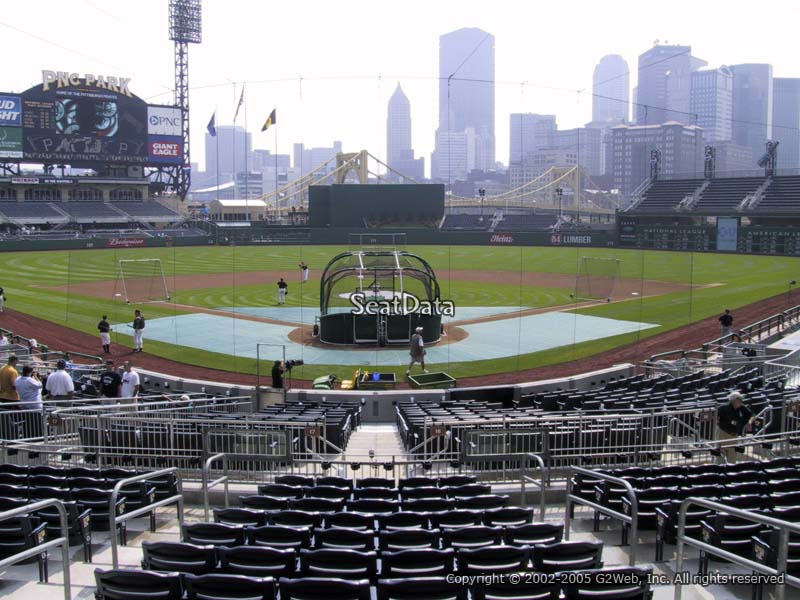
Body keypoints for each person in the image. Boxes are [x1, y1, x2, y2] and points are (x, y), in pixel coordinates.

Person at [716, 391, 756, 463]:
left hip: (733, 436)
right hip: (723, 434)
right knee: (720, 457)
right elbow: (716, 418)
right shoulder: (724, 408)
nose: (741, 401)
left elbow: (752, 415)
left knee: (732, 458)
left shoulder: (741, 408)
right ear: (734, 400)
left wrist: (749, 422)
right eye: (739, 399)